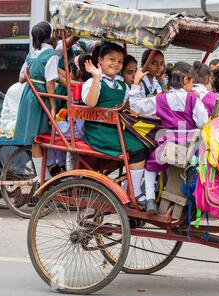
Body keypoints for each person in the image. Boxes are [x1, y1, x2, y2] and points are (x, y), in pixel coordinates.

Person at [129, 61, 209, 214]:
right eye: (192, 81)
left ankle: (150, 198)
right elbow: (203, 121)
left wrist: (136, 84)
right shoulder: (192, 99)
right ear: (185, 80)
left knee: (151, 163)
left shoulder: (161, 99)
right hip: (190, 147)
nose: (192, 85)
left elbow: (137, 107)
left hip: (168, 145)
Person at [82, 42, 149, 207]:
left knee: (149, 142)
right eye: (111, 59)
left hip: (118, 128)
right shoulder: (91, 82)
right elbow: (90, 103)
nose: (115, 64)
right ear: (100, 60)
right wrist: (96, 77)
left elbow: (132, 106)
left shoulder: (121, 85)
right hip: (99, 131)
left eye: (119, 61)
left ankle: (132, 187)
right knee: (139, 148)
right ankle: (135, 192)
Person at [14, 21, 59, 184]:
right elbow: (50, 83)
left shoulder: (31, 54)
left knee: (36, 138)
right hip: (41, 97)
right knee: (39, 138)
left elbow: (20, 79)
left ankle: (43, 175)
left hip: (28, 96)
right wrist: (53, 106)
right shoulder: (52, 55)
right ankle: (43, 177)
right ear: (50, 36)